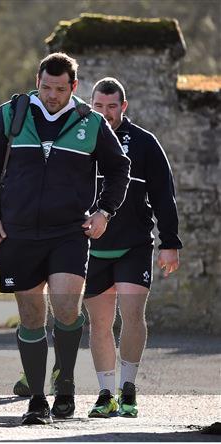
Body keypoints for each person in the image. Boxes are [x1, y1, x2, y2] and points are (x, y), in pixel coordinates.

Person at [0, 53, 130, 425]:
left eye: (61, 89)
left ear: (73, 87)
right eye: (46, 87)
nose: (52, 95)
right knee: (30, 316)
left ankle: (65, 386)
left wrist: (104, 212)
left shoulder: (90, 122)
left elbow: (118, 169)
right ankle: (37, 400)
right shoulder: (11, 114)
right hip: (18, 231)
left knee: (65, 309)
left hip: (68, 233)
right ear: (37, 80)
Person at [84, 77, 182, 418]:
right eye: (99, 106)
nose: (106, 113)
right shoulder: (80, 139)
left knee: (131, 316)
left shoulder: (144, 143)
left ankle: (128, 389)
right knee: (98, 324)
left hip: (134, 244)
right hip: (91, 249)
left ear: (123, 107)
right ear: (90, 104)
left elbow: (164, 196)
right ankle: (105, 392)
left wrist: (170, 242)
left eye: (112, 107)